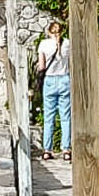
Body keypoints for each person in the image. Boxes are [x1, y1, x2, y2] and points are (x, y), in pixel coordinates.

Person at [36, 19, 71, 157]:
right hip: (64, 79)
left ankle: (47, 150)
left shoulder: (44, 44)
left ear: (48, 32)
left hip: (50, 80)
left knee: (49, 116)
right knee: (65, 117)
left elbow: (42, 66)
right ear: (62, 31)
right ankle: (66, 149)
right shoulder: (67, 43)